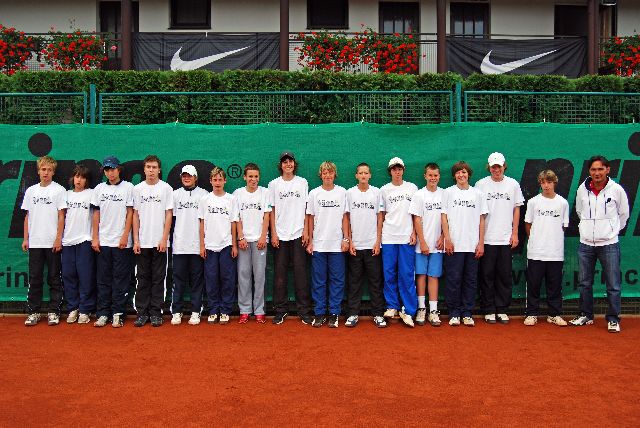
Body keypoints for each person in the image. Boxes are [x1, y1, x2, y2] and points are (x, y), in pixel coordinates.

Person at [570, 155, 629, 333]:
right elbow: (579, 211)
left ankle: (613, 319)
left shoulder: (616, 190)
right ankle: (586, 315)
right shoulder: (582, 190)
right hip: (586, 244)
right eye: (593, 169)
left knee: (613, 284)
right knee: (584, 282)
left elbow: (623, 215)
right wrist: (587, 230)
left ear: (607, 170)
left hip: (609, 244)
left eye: (600, 169)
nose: (597, 173)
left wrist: (611, 232)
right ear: (589, 171)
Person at [475, 152, 524, 324]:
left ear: (504, 166)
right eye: (493, 167)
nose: (496, 170)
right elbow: (478, 213)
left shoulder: (513, 184)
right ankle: (488, 309)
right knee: (486, 275)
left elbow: (516, 209)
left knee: (504, 275)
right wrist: (479, 239)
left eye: (499, 166)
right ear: (489, 168)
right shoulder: (480, 185)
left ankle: (502, 309)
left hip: (505, 239)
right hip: (487, 239)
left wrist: (515, 233)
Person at [268, 151, 313, 325]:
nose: (288, 164)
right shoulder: (274, 184)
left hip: (299, 234)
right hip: (280, 235)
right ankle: (281, 310)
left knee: (301, 274)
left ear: (294, 164)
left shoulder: (302, 182)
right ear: (281, 165)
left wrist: (306, 231)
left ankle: (304, 311)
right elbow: (271, 210)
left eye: (290, 161)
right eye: (285, 162)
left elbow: (307, 209)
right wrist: (273, 233)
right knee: (280, 275)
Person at [441, 161, 488, 327]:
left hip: (472, 245)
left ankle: (467, 312)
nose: (461, 175)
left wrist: (481, 243)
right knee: (453, 279)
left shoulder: (478, 194)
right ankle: (454, 312)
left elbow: (482, 220)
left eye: (464, 172)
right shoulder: (448, 192)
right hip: (454, 245)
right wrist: (447, 239)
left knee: (470, 280)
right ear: (454, 176)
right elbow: (444, 218)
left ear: (469, 174)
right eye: (458, 172)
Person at [22, 156, 67, 326]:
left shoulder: (59, 190)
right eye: (43, 169)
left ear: (53, 172)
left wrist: (58, 239)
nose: (46, 172)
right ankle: (33, 312)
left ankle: (54, 311)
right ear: (38, 171)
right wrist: (26, 238)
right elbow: (27, 216)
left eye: (49, 170)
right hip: (35, 243)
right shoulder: (31, 191)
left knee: (54, 278)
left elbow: (61, 216)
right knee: (35, 278)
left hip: (52, 243)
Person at [91, 156, 134, 328]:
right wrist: (95, 237)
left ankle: (118, 313)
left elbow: (130, 213)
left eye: (113, 169)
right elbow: (96, 214)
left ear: (119, 169)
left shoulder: (128, 187)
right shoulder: (99, 189)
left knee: (120, 279)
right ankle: (103, 313)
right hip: (103, 242)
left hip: (121, 243)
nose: (110, 173)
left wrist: (125, 236)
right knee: (103, 279)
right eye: (107, 170)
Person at [523, 170, 569, 327]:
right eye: (543, 182)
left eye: (549, 182)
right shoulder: (533, 202)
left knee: (554, 285)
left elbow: (563, 226)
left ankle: (554, 314)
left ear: (554, 182)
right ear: (540, 183)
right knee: (533, 284)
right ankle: (531, 313)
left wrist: (552, 240)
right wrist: (536, 240)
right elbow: (528, 224)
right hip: (536, 252)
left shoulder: (562, 203)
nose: (546, 185)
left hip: (555, 253)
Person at [132, 155, 173, 327]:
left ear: (159, 170)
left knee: (158, 278)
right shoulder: (137, 189)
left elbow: (169, 214)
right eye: (148, 167)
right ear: (144, 169)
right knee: (142, 278)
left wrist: (164, 238)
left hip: (160, 244)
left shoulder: (166, 189)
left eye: (154, 167)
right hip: (142, 243)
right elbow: (135, 215)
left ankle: (156, 313)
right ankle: (142, 313)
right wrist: (136, 240)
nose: (151, 170)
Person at [306, 161, 349, 328]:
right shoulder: (314, 193)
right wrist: (310, 240)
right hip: (319, 245)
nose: (327, 175)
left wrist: (346, 239)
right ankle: (319, 313)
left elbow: (345, 217)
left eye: (330, 172)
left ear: (334, 175)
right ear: (321, 175)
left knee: (337, 280)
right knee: (319, 281)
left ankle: (334, 313)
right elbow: (310, 217)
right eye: (324, 173)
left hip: (337, 245)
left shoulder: (342, 192)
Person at [345, 163, 387, 328]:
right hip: (355, 246)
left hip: (372, 246)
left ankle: (378, 314)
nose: (363, 175)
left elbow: (380, 218)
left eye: (366, 173)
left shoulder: (376, 192)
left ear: (370, 175)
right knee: (354, 282)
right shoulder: (350, 193)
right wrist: (349, 241)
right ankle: (353, 314)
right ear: (356, 176)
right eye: (360, 173)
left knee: (375, 282)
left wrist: (378, 241)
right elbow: (346, 218)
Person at [379, 157, 418, 328]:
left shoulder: (412, 188)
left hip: (406, 238)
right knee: (389, 272)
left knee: (407, 274)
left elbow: (416, 214)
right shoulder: (384, 190)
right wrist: (379, 238)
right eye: (394, 169)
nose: (397, 171)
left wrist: (414, 232)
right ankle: (392, 306)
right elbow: (381, 216)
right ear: (390, 171)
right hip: (388, 237)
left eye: (399, 169)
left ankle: (409, 310)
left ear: (403, 170)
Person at [199, 167, 239, 325]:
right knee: (211, 279)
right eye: (215, 180)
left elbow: (233, 223)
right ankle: (213, 310)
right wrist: (202, 245)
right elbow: (202, 223)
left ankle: (225, 310)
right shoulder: (205, 200)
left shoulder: (231, 199)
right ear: (210, 181)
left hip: (226, 245)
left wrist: (234, 245)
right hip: (209, 246)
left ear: (225, 181)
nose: (217, 182)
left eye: (220, 179)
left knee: (227, 278)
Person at [233, 163, 271, 324]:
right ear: (244, 177)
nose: (253, 179)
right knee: (243, 275)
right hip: (244, 241)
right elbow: (236, 217)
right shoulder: (237, 194)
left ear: (259, 177)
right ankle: (245, 310)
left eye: (256, 176)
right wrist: (240, 237)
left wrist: (263, 236)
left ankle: (259, 310)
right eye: (250, 176)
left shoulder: (265, 193)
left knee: (260, 276)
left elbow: (267, 216)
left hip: (260, 241)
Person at [170, 165, 208, 326]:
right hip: (179, 246)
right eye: (184, 175)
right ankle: (176, 312)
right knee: (178, 281)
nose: (187, 178)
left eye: (189, 175)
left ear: (195, 177)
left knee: (197, 281)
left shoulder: (204, 195)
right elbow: (170, 220)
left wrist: (203, 244)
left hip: (197, 246)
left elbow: (205, 222)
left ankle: (195, 311)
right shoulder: (174, 195)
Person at [408, 163, 444, 327]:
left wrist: (443, 236)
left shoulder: (444, 194)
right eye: (430, 175)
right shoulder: (419, 195)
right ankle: (421, 308)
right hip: (421, 245)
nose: (433, 178)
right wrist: (422, 241)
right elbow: (417, 219)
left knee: (433, 276)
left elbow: (446, 218)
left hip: (438, 245)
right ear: (425, 176)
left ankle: (433, 311)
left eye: (435, 175)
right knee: (421, 275)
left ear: (439, 176)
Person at [62, 164, 96, 324]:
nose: (79, 180)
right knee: (69, 275)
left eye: (82, 177)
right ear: (72, 178)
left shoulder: (91, 194)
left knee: (85, 276)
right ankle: (73, 308)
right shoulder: (66, 195)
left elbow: (96, 216)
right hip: (67, 242)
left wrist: (94, 237)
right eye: (77, 176)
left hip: (85, 240)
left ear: (86, 180)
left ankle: (85, 309)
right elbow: (60, 217)